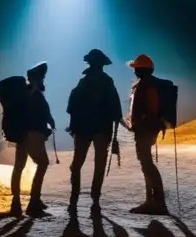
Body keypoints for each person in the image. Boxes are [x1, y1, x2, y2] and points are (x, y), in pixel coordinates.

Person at [66, 48, 123, 216]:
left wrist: (74, 127)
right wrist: (114, 135)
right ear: (102, 64)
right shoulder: (108, 82)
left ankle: (74, 198)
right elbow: (116, 110)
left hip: (83, 128)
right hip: (102, 130)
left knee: (77, 163)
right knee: (99, 163)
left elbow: (71, 107)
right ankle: (95, 199)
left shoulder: (82, 82)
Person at [10, 61, 56, 217]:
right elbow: (40, 115)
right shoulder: (35, 94)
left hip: (20, 135)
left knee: (19, 167)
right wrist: (48, 123)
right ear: (37, 78)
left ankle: (15, 203)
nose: (44, 79)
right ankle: (34, 202)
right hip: (32, 135)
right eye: (42, 77)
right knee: (42, 163)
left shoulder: (22, 93)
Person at [125, 53, 169, 215]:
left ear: (142, 70)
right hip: (147, 129)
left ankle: (157, 202)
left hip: (145, 130)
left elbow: (150, 110)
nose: (134, 71)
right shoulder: (145, 84)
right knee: (146, 163)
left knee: (147, 164)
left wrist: (141, 124)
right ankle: (151, 201)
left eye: (136, 68)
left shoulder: (147, 86)